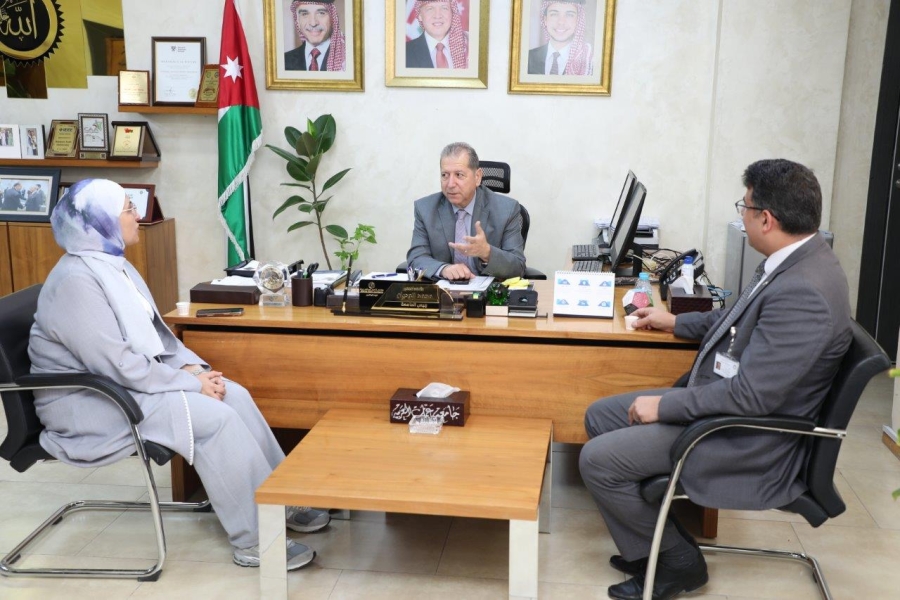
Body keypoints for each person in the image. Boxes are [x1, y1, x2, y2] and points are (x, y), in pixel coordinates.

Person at [578, 159, 852, 600]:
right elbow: (739, 318)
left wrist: (664, 406)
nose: (742, 215)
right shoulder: (795, 260)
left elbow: (751, 396)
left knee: (597, 461)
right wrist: (675, 322)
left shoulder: (805, 291)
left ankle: (678, 563)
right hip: (723, 406)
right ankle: (651, 543)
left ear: (767, 219)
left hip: (748, 437)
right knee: (600, 416)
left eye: (745, 207)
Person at [28, 179, 331, 571]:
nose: (138, 216)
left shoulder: (112, 264)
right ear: (101, 222)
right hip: (89, 401)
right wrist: (189, 383)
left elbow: (156, 336)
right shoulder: (76, 281)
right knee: (216, 420)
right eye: (128, 209)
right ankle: (257, 540)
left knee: (234, 395)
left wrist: (193, 368)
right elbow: (117, 364)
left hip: (121, 385)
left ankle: (281, 500)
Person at [407, 142, 526, 281]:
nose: (450, 184)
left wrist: (487, 252)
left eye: (459, 175)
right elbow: (416, 258)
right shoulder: (425, 209)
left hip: (489, 291)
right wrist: (443, 269)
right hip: (443, 291)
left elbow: (518, 267)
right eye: (445, 175)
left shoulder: (507, 209)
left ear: (477, 177)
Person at [527, 0, 593, 76]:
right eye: (554, 14)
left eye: (569, 15)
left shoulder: (588, 62)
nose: (561, 22)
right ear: (545, 20)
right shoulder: (527, 58)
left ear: (578, 21)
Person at [284, 0, 345, 71]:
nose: (313, 23)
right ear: (297, 21)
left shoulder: (347, 58)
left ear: (332, 19)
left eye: (321, 13)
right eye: (305, 14)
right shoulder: (285, 60)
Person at [406, 0, 468, 69]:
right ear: (420, 15)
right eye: (430, 8)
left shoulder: (469, 48)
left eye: (444, 8)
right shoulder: (404, 53)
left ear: (452, 13)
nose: (437, 16)